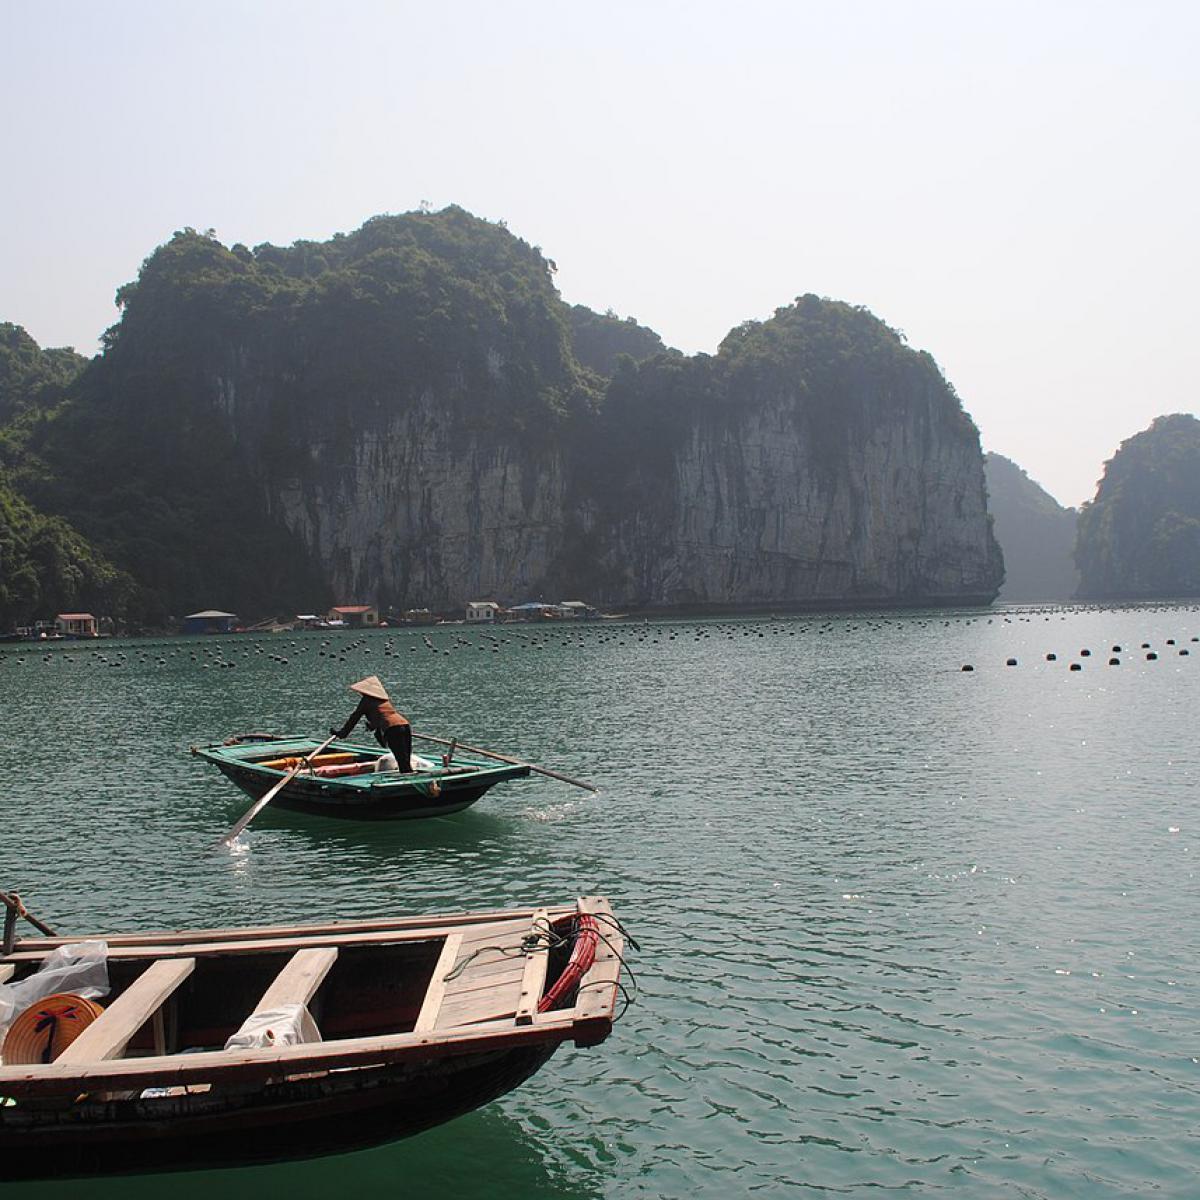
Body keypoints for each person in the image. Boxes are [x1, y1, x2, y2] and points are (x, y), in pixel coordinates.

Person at [330, 676, 412, 772]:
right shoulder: (384, 700)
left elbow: (354, 718)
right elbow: (383, 716)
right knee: (406, 760)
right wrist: (372, 726)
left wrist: (342, 733)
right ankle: (409, 777)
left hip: (392, 728)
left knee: (401, 760)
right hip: (405, 725)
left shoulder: (366, 701)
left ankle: (405, 782)